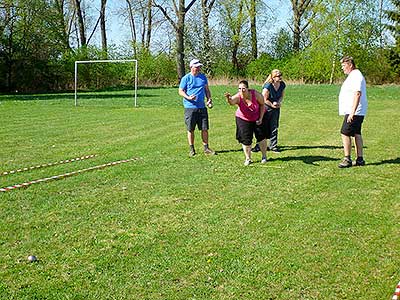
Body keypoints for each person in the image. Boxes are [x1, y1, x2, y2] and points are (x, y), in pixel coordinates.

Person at [224, 80, 268, 166]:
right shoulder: (238, 96)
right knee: (246, 139)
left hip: (257, 117)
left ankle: (264, 156)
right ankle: (248, 158)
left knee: (261, 136)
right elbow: (232, 102)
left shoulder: (255, 94)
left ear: (248, 88)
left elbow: (262, 104)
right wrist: (228, 99)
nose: (241, 90)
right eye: (239, 89)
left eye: (243, 88)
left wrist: (261, 118)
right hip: (243, 119)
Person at [179, 58, 215, 157]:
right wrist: (188, 97)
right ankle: (192, 149)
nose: (198, 69)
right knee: (190, 129)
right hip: (190, 107)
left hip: (202, 107)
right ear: (191, 67)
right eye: (196, 67)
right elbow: (180, 91)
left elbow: (207, 90)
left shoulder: (203, 77)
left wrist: (209, 99)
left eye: (199, 67)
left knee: (204, 128)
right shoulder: (186, 78)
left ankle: (206, 148)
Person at [338, 56, 368, 168]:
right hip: (355, 111)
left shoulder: (356, 75)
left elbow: (357, 93)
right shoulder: (353, 75)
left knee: (345, 133)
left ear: (350, 65)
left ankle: (347, 159)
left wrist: (352, 112)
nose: (342, 68)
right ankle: (360, 159)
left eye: (344, 66)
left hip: (355, 111)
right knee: (356, 133)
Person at [252, 69, 286, 153]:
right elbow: (263, 99)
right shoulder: (268, 86)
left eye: (280, 75)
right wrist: (272, 105)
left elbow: (282, 95)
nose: (280, 77)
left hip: (276, 108)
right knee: (263, 127)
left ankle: (273, 146)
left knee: (274, 127)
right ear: (273, 77)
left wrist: (278, 102)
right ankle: (258, 146)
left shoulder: (282, 84)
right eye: (278, 76)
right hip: (265, 108)